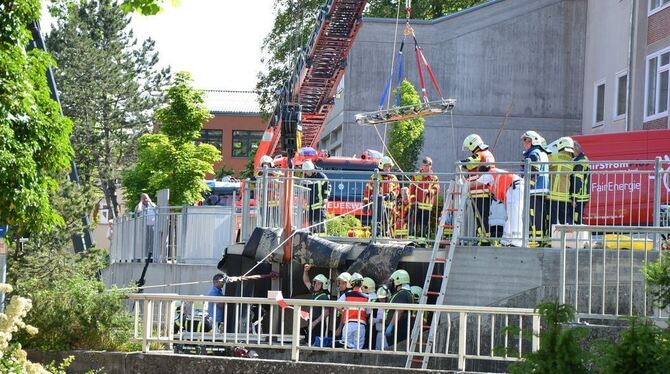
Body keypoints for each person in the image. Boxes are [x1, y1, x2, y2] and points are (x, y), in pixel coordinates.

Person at [471, 166, 524, 247]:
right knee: (510, 216)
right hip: (513, 188)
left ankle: (516, 242)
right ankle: (506, 240)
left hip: (515, 187)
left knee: (515, 216)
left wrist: (462, 183)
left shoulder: (488, 174)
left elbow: (474, 184)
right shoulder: (494, 176)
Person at [462, 134, 496, 245]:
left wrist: (460, 163)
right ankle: (484, 238)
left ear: (473, 144)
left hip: (479, 190)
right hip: (486, 189)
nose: (470, 151)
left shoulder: (479, 154)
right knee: (484, 215)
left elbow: (468, 163)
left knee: (480, 216)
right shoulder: (489, 154)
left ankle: (485, 240)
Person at [521, 131, 551, 246]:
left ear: (533, 141)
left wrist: (527, 184)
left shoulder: (534, 153)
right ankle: (539, 239)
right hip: (541, 189)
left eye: (526, 141)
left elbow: (533, 170)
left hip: (534, 190)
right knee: (540, 215)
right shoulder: (541, 152)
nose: (524, 143)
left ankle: (535, 240)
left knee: (534, 216)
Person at [363, 156, 399, 236]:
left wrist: (391, 195)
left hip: (389, 206)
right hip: (377, 206)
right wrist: (365, 204)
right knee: (376, 222)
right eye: (386, 166)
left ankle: (387, 236)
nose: (388, 168)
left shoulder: (393, 178)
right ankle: (375, 236)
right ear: (381, 166)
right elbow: (368, 190)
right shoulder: (375, 177)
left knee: (388, 223)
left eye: (389, 166)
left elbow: (397, 190)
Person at [409, 157, 440, 240]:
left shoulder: (434, 178)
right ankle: (412, 239)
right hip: (416, 204)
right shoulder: (417, 176)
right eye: (425, 165)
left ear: (431, 166)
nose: (426, 167)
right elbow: (411, 190)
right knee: (414, 222)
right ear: (422, 166)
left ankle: (422, 240)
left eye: (428, 165)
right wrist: (413, 201)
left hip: (427, 204)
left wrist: (429, 191)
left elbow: (436, 188)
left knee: (424, 223)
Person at [547, 137, 575, 227]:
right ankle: (565, 240)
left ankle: (552, 239)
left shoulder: (553, 157)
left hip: (552, 195)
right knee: (565, 222)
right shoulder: (572, 161)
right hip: (565, 197)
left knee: (553, 221)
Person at [385, 269, 414, 350]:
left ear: (398, 280)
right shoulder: (405, 293)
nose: (392, 284)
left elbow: (399, 310)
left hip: (398, 329)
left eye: (393, 281)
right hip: (399, 328)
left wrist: (391, 325)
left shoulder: (403, 294)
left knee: (395, 350)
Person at [302, 264, 331, 344]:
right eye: (315, 283)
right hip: (312, 321)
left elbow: (327, 312)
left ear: (323, 285)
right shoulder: (314, 293)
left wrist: (315, 322)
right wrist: (305, 271)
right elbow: (306, 281)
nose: (316, 285)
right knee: (310, 343)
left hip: (318, 324)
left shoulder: (324, 296)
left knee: (316, 344)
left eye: (319, 283)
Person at [340, 273, 369, 349]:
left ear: (351, 283)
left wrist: (344, 312)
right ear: (362, 283)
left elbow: (337, 305)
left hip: (348, 324)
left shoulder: (346, 295)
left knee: (346, 347)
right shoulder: (367, 297)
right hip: (360, 325)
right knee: (357, 350)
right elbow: (368, 312)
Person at [301, 160, 331, 233]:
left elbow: (327, 187)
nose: (306, 173)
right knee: (311, 226)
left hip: (319, 204)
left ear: (312, 169)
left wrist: (325, 198)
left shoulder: (321, 176)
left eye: (307, 171)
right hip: (309, 204)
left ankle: (322, 239)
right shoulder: (305, 176)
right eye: (305, 171)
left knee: (321, 225)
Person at [571, 141, 590, 224]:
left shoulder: (580, 162)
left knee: (577, 218)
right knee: (577, 217)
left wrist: (574, 198)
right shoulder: (583, 159)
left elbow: (577, 180)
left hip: (579, 195)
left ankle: (578, 236)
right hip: (582, 194)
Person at [135, 193, 156, 258]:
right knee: (145, 241)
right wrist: (141, 202)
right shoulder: (140, 206)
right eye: (144, 199)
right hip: (143, 226)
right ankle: (145, 255)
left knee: (152, 241)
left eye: (146, 198)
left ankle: (151, 255)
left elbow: (156, 208)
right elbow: (137, 210)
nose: (145, 200)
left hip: (152, 225)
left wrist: (150, 201)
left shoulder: (152, 205)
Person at [373, 286, 389, 350]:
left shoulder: (388, 306)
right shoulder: (378, 306)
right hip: (378, 332)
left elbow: (387, 319)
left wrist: (377, 320)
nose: (381, 300)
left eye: (383, 298)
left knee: (385, 350)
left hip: (385, 333)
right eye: (380, 298)